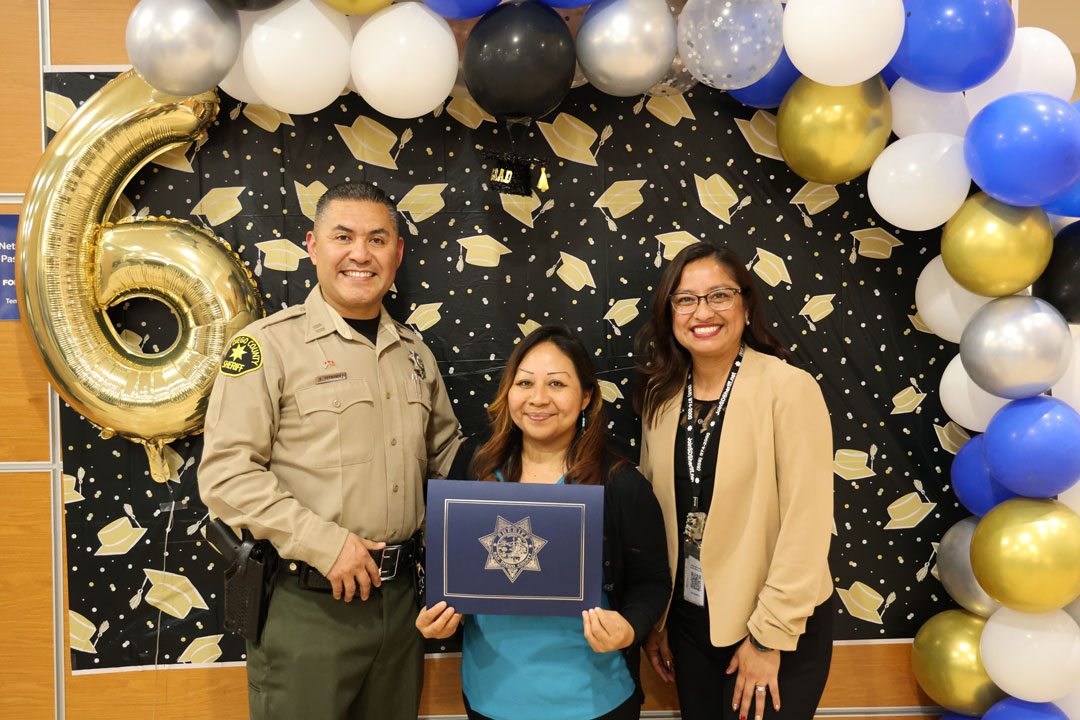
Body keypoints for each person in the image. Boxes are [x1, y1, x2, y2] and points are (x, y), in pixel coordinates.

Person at [198, 181, 462, 720]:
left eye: (377, 239)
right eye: (342, 237)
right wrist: (326, 543)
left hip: (401, 609)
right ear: (314, 247)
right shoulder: (264, 347)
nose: (360, 254)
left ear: (398, 253)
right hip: (308, 607)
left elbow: (450, 463)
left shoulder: (415, 353)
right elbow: (227, 477)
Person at [416, 325, 671, 720]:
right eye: (524, 383)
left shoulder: (619, 483)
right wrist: (439, 616)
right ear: (508, 392)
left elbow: (653, 580)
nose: (538, 399)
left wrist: (630, 626)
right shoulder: (474, 466)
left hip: (594, 699)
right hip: (489, 697)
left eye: (557, 384)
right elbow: (450, 572)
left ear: (586, 396)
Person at [633, 242, 834, 720]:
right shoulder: (662, 398)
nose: (702, 312)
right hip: (688, 624)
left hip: (773, 627)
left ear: (746, 305)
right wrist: (657, 620)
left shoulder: (788, 388)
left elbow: (807, 524)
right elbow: (651, 516)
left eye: (719, 295)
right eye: (685, 299)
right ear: (670, 314)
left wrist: (769, 636)